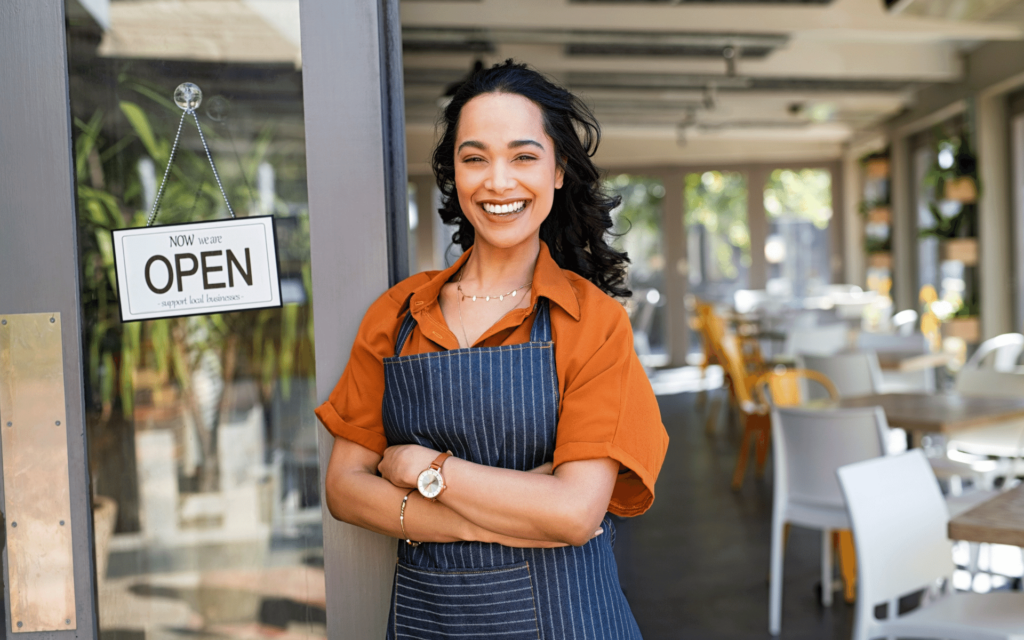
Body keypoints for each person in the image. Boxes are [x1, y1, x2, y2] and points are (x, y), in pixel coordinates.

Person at [316, 60, 669, 639]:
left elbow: (575, 514)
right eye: (474, 157)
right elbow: (344, 488)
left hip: (570, 622)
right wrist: (502, 517)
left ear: (558, 172)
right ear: (454, 174)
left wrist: (423, 469)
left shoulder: (591, 322)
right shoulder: (398, 314)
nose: (498, 181)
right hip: (431, 623)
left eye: (524, 156)